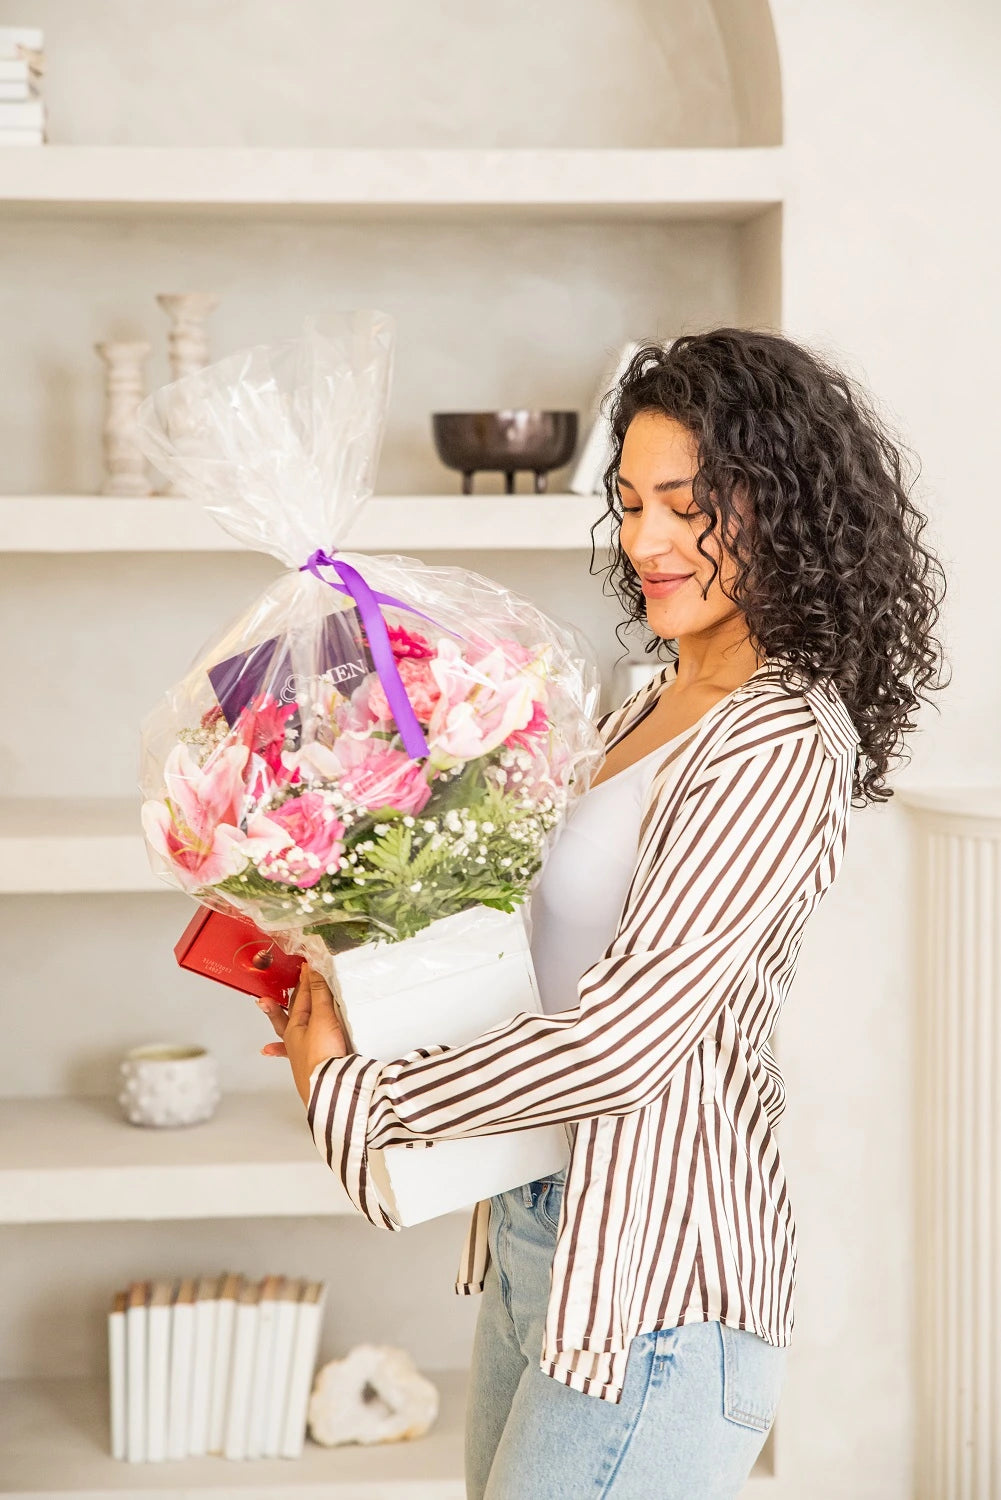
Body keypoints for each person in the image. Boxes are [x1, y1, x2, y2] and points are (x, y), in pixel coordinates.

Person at [255, 328, 947, 1498]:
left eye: (687, 506)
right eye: (627, 503)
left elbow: (620, 1044)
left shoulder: (778, 739)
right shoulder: (645, 703)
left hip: (657, 1290)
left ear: (782, 506)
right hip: (546, 1242)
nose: (643, 541)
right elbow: (533, 955)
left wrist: (354, 1092)